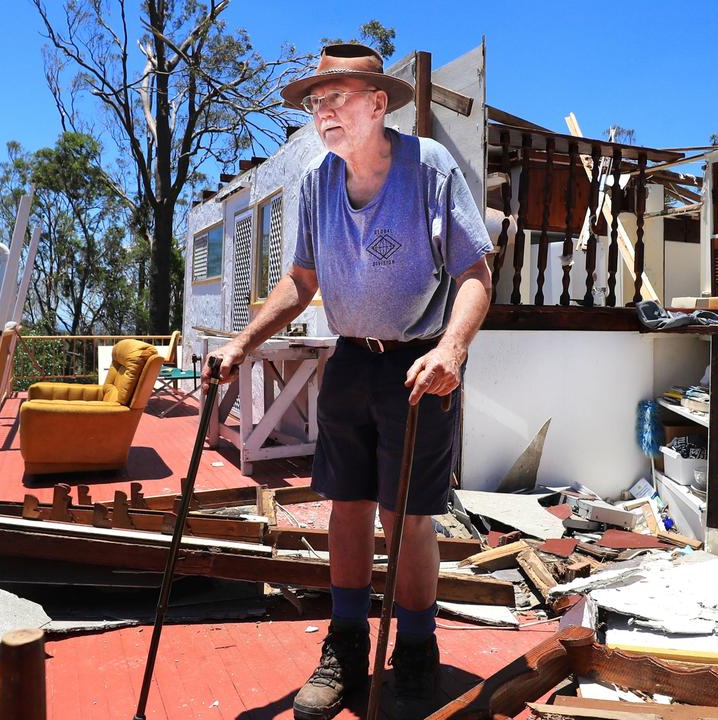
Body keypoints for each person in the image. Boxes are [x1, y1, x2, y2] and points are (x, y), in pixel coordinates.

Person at [202, 43, 493, 720]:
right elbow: (301, 281)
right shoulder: (316, 180)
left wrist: (452, 349)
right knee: (348, 507)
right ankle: (346, 648)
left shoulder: (428, 167)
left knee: (409, 516)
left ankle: (417, 649)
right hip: (351, 358)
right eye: (315, 102)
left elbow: (476, 272)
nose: (323, 113)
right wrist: (243, 342)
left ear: (376, 102)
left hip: (419, 358)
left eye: (337, 98)